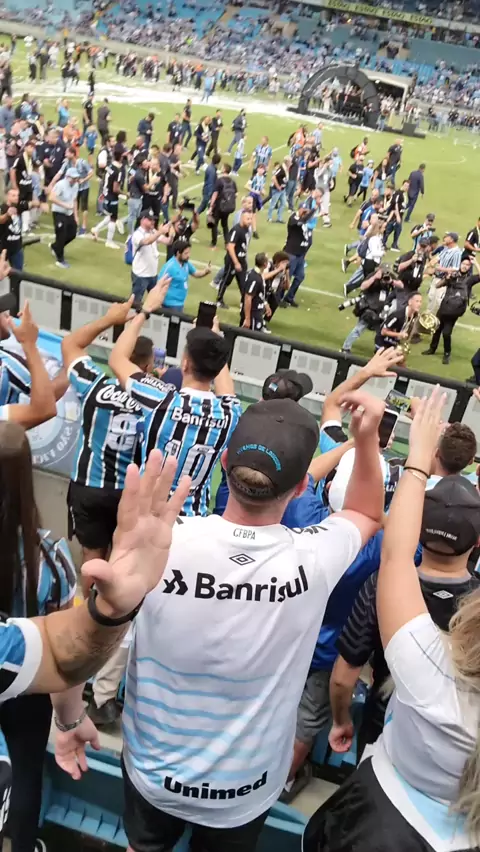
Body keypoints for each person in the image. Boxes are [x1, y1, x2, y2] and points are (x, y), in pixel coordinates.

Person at [111, 385, 384, 852]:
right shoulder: (315, 556)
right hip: (245, 788)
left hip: (152, 772)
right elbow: (363, 511)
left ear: (224, 464)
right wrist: (366, 438)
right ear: (302, 488)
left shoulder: (163, 541)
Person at [303, 388, 480, 852]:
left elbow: (396, 558)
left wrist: (418, 460)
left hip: (378, 802)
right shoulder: (436, 648)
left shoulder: (423, 666)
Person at [330, 422, 479, 762]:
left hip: (382, 728)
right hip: (459, 751)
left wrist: (340, 720)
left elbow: (342, 679)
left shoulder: (381, 586)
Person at [0, 418, 77, 852]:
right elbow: (66, 651)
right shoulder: (51, 557)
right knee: (26, 772)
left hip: (26, 685)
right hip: (29, 687)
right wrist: (70, 718)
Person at [110, 296, 242, 517]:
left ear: (185, 364)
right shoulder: (230, 413)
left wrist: (144, 312)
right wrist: (213, 340)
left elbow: (117, 359)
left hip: (147, 516)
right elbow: (226, 388)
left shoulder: (160, 398)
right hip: (193, 521)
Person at [61, 297, 157, 590]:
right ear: (147, 366)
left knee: (92, 558)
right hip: (127, 493)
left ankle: (86, 611)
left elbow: (70, 345)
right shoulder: (157, 401)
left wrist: (110, 319)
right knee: (120, 560)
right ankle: (112, 613)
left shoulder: (94, 385)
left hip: (88, 487)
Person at [424, 257, 480, 365]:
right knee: (436, 329)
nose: (464, 266)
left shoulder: (470, 279)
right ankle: (432, 348)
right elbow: (437, 285)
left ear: (470, 267)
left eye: (467, 265)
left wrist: (476, 263)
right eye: (463, 264)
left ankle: (447, 353)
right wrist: (447, 278)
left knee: (446, 333)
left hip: (454, 310)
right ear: (460, 264)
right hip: (444, 307)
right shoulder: (453, 275)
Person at [158, 240, 211, 313]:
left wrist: (205, 271)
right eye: (186, 253)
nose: (188, 255)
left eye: (189, 252)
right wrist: (158, 303)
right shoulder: (170, 267)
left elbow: (195, 273)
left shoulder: (186, 263)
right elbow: (159, 285)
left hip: (180, 304)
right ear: (178, 253)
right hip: (170, 305)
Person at [131, 210, 171, 303]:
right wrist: (160, 232)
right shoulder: (137, 234)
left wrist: (171, 232)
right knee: (136, 301)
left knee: (154, 301)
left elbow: (168, 241)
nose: (153, 222)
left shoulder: (153, 231)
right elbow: (147, 241)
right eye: (150, 220)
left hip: (153, 274)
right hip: (141, 275)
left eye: (153, 219)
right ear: (143, 220)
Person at [280, 205, 317, 308]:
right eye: (304, 210)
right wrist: (315, 208)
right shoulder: (293, 220)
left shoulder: (305, 224)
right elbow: (301, 221)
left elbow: (308, 239)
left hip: (300, 255)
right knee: (286, 277)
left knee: (300, 276)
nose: (305, 213)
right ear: (299, 209)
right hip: (291, 253)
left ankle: (289, 297)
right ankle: (279, 298)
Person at [216, 208, 252, 309]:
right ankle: (219, 300)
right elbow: (230, 246)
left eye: (250, 219)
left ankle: (243, 302)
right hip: (232, 261)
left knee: (243, 282)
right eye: (247, 219)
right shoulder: (237, 230)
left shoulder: (246, 229)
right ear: (242, 218)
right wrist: (236, 262)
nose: (249, 221)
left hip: (242, 260)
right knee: (226, 280)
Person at [91, 144, 125, 249]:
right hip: (112, 197)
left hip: (105, 194)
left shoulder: (109, 166)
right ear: (121, 157)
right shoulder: (118, 171)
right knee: (113, 219)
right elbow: (115, 189)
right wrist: (125, 194)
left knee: (110, 216)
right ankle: (109, 241)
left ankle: (96, 229)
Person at [49, 167, 79, 270]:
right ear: (67, 177)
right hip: (59, 212)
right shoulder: (60, 185)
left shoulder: (76, 185)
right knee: (61, 235)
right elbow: (51, 198)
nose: (75, 180)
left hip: (69, 213)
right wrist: (64, 205)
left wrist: (76, 216)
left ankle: (55, 247)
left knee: (72, 233)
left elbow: (74, 200)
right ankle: (60, 259)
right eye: (73, 178)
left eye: (76, 178)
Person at [427, 231, 462, 313]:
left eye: (447, 237)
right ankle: (427, 317)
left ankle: (437, 318)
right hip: (436, 277)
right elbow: (437, 258)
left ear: (451, 240)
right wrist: (430, 264)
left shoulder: (457, 252)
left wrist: (441, 269)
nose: (444, 238)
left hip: (444, 281)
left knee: (438, 301)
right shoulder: (445, 249)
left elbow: (456, 268)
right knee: (431, 297)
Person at [208, 163, 238, 250]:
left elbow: (215, 194)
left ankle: (214, 243)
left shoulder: (219, 181)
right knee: (225, 225)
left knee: (214, 224)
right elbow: (236, 194)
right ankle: (227, 243)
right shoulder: (233, 182)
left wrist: (211, 206)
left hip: (219, 206)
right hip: (228, 207)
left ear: (224, 169)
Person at [241, 251, 271, 332]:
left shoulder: (258, 274)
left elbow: (259, 293)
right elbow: (248, 298)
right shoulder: (254, 278)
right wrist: (247, 318)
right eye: (268, 261)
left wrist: (265, 304)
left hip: (257, 313)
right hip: (253, 314)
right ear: (265, 264)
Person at [383, 178, 409, 252]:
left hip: (399, 215)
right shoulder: (398, 193)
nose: (407, 187)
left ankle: (393, 244)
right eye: (405, 185)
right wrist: (397, 216)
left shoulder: (403, 194)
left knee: (398, 230)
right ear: (402, 185)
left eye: (408, 186)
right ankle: (384, 243)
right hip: (394, 216)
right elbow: (395, 204)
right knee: (389, 230)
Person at [267, 157, 289, 224]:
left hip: (283, 190)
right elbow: (273, 177)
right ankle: (269, 217)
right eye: (290, 162)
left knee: (283, 203)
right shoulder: (281, 169)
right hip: (277, 190)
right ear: (287, 162)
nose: (291, 163)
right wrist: (278, 186)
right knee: (273, 204)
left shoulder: (286, 168)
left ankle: (279, 218)